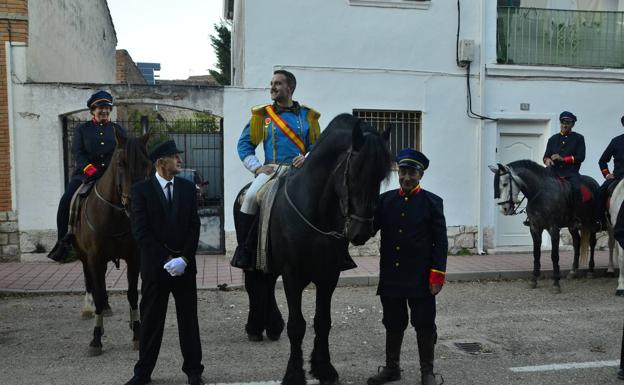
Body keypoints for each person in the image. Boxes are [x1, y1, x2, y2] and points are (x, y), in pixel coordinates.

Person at [124, 140, 205, 385]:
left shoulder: (187, 188)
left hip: (183, 268)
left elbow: (194, 227)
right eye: (174, 157)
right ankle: (143, 373)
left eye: (178, 156)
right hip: (155, 269)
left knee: (189, 322)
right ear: (160, 163)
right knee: (151, 321)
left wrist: (184, 258)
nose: (179, 160)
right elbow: (141, 232)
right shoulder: (141, 190)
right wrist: (166, 259)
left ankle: (194, 372)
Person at [368, 148, 447, 385]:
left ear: (420, 175)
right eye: (403, 171)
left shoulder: (432, 202)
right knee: (393, 323)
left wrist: (437, 275)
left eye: (412, 172)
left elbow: (441, 243)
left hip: (420, 278)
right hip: (392, 276)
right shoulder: (385, 200)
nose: (407, 177)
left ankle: (427, 372)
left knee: (424, 324)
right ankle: (392, 369)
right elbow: (368, 230)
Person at [47, 90, 126, 261]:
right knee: (66, 200)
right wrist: (91, 171)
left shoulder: (118, 129)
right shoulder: (82, 129)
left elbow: (124, 151)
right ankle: (64, 242)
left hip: (112, 176)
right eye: (100, 108)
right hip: (86, 175)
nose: (104, 111)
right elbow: (77, 152)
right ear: (92, 110)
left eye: (107, 107)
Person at [542, 111, 587, 228]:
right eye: (563, 122)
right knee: (537, 185)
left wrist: (563, 159)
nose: (565, 125)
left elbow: (581, 157)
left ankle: (577, 218)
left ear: (573, 124)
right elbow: (546, 155)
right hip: (553, 171)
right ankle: (535, 215)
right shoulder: (553, 139)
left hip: (570, 172)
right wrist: (547, 160)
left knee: (577, 189)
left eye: (568, 123)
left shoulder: (579, 138)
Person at [597, 115, 624, 227]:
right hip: (618, 177)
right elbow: (602, 160)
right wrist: (607, 174)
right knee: (600, 192)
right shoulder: (616, 141)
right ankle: (600, 221)